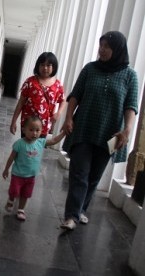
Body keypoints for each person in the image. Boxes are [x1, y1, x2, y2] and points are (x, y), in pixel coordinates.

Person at [60, 31, 138, 230]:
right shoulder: (90, 69)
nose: (101, 50)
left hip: (111, 135)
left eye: (107, 47)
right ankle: (71, 216)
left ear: (118, 50)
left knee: (94, 177)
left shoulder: (130, 76)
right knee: (79, 174)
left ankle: (80, 210)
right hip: (84, 128)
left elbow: (131, 106)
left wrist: (127, 130)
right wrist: (69, 118)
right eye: (100, 45)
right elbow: (75, 96)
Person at [2, 116, 66, 221]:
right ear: (24, 130)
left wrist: (64, 133)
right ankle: (11, 199)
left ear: (41, 131)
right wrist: (6, 169)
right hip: (17, 174)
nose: (34, 133)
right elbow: (11, 157)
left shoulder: (40, 142)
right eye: (31, 130)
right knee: (14, 191)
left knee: (26, 194)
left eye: (37, 130)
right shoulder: (19, 144)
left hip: (31, 176)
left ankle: (21, 210)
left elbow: (54, 140)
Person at [10, 52, 66, 137]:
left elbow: (63, 100)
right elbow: (21, 103)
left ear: (54, 67)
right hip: (28, 125)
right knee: (25, 148)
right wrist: (13, 121)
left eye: (48, 65)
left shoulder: (57, 85)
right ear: (38, 66)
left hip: (44, 126)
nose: (45, 68)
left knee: (38, 149)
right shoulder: (30, 82)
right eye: (42, 65)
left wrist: (58, 113)